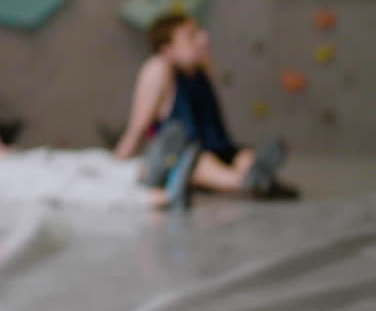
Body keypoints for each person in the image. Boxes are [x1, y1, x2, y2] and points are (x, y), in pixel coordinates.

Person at [0, 49, 198, 210]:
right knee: (60, 183)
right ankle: (151, 197)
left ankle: (144, 171)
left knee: (80, 160)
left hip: (11, 160)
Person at [113, 12, 291, 198]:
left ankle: (254, 176)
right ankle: (246, 182)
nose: (203, 39)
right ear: (167, 50)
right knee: (200, 163)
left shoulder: (200, 71)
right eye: (191, 36)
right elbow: (138, 126)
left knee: (244, 157)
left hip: (218, 148)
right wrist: (116, 168)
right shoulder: (160, 69)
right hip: (184, 155)